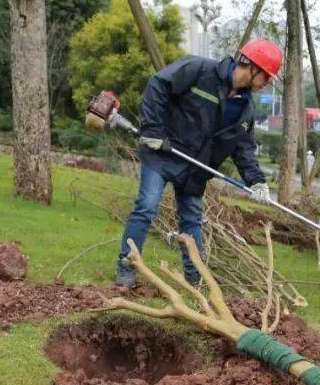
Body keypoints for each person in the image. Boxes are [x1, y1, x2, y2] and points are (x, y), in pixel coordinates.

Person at [115, 39, 282, 288]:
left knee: (192, 220)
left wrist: (257, 181)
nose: (266, 83)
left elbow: (243, 148)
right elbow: (158, 84)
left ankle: (194, 280)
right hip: (163, 152)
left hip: (195, 168)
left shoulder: (246, 108)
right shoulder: (199, 70)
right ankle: (126, 268)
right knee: (146, 207)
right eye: (266, 77)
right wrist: (153, 129)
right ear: (253, 67)